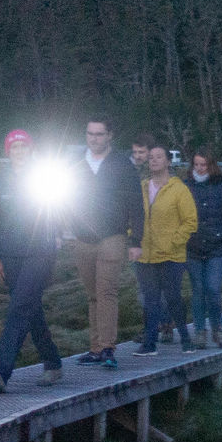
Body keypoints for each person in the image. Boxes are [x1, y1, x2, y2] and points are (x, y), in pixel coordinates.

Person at [0, 129, 64, 393]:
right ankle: (52, 362)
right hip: (10, 255)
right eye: (14, 148)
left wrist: (55, 241)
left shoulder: (42, 178)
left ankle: (1, 372)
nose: (19, 152)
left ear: (31, 150)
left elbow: (55, 211)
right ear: (8, 152)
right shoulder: (1, 181)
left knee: (18, 307)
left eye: (24, 147)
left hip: (39, 252)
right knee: (30, 309)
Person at [67, 116, 141, 370]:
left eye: (99, 134)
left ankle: (108, 347)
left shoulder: (123, 164)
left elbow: (135, 204)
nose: (94, 139)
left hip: (113, 236)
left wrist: (136, 240)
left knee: (107, 291)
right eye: (90, 134)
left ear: (110, 135)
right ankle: (95, 348)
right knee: (92, 295)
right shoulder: (75, 164)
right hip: (82, 238)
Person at [132, 141, 197, 355]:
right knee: (150, 300)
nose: (154, 160)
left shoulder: (179, 189)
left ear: (168, 162)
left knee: (173, 298)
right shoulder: (141, 188)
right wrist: (132, 239)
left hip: (171, 256)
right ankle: (149, 343)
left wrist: (173, 242)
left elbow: (190, 221)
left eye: (159, 157)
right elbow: (133, 216)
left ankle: (186, 339)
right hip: (145, 255)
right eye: (151, 157)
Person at [184, 150, 222, 348]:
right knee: (198, 289)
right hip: (192, 247)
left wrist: (221, 233)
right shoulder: (186, 186)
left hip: (216, 247)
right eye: (196, 164)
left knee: (213, 289)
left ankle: (218, 328)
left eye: (203, 165)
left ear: (211, 165)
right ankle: (200, 331)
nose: (199, 168)